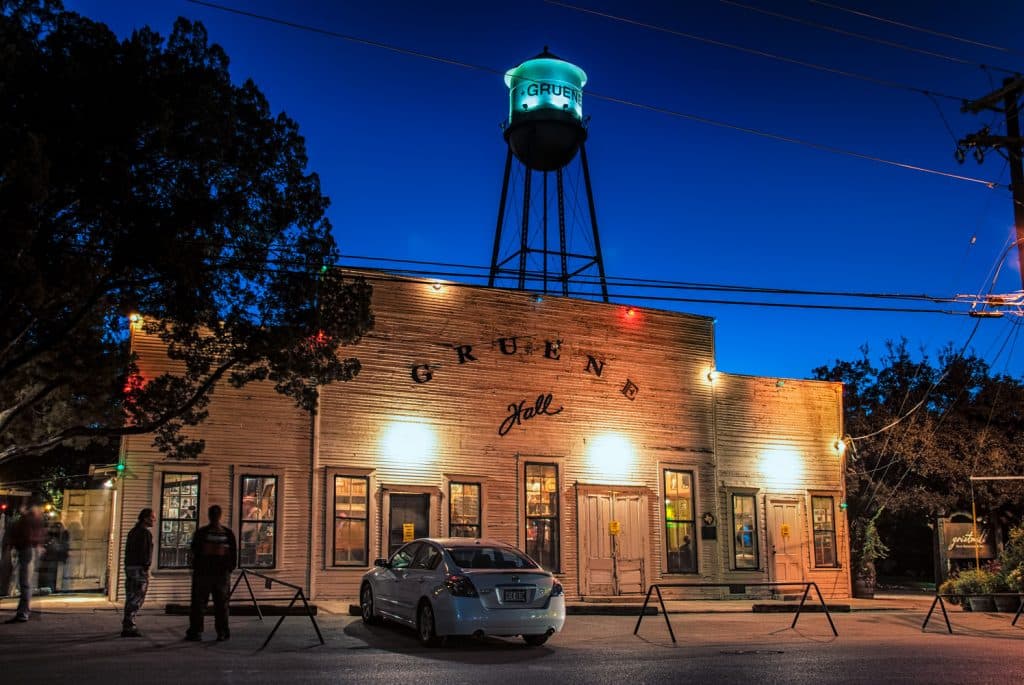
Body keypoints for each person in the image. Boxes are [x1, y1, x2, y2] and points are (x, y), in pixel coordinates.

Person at [185, 504, 237, 642]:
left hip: (203, 573)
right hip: (221, 574)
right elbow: (233, 554)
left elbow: (194, 551)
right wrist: (229, 568)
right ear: (220, 515)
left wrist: (195, 568)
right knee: (221, 605)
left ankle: (196, 632)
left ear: (209, 515)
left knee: (198, 604)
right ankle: (222, 632)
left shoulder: (202, 533)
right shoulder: (227, 533)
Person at [4, 498, 46, 623]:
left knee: (25, 582)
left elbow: (24, 535)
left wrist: (12, 545)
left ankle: (23, 613)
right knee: (26, 582)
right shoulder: (35, 519)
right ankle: (23, 611)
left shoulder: (27, 519)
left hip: (26, 550)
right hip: (29, 550)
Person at [121, 508, 155, 637]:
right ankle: (129, 625)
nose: (154, 520)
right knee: (137, 597)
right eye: (152, 517)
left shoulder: (133, 532)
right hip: (139, 569)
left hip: (130, 567)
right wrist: (145, 567)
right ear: (145, 518)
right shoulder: (144, 533)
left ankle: (127, 622)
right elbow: (145, 553)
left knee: (131, 596)